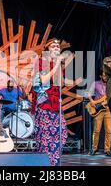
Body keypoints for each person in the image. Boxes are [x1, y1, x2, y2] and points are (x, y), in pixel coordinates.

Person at [32, 38, 67, 166]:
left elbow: (61, 84)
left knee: (61, 134)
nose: (57, 47)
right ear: (47, 49)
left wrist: (59, 66)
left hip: (56, 103)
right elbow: (44, 80)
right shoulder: (41, 61)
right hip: (45, 103)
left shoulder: (57, 64)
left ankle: (55, 162)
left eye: (58, 45)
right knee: (46, 137)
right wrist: (57, 64)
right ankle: (47, 164)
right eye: (53, 46)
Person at [87, 71, 111, 156]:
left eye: (107, 75)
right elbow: (89, 93)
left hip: (108, 110)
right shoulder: (95, 83)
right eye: (104, 75)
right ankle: (94, 148)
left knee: (109, 131)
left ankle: (107, 149)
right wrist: (92, 101)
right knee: (96, 130)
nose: (105, 77)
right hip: (98, 109)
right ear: (101, 76)